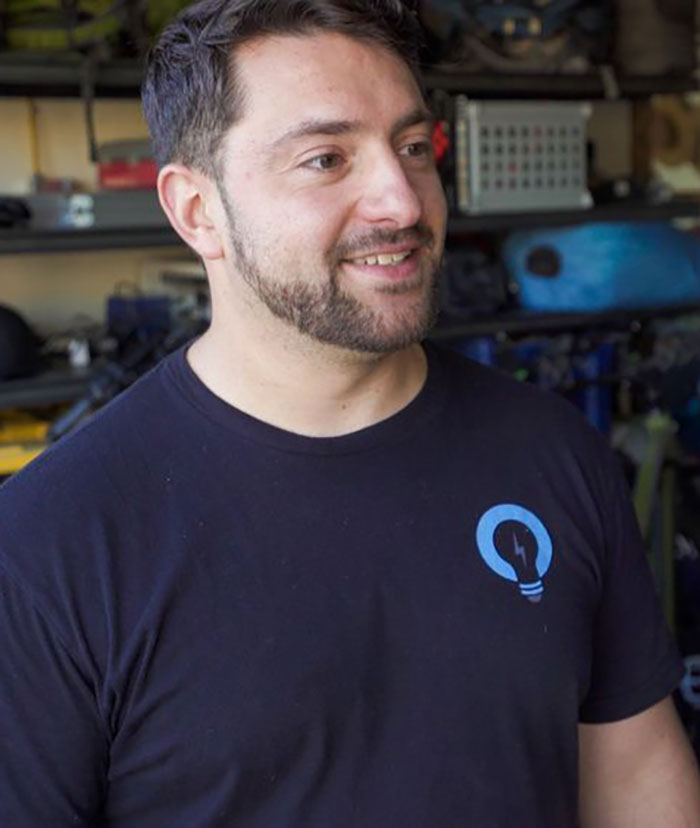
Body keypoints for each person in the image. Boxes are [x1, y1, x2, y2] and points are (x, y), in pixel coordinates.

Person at [1, 0, 699, 824]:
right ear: (197, 211)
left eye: (412, 147)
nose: (402, 203)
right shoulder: (48, 542)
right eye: (327, 159)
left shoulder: (555, 453)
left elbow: (635, 775)